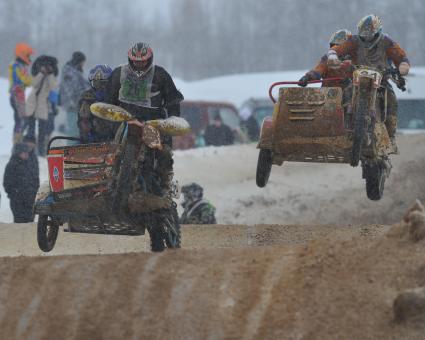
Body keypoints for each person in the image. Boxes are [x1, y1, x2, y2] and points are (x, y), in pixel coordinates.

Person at [304, 15, 410, 150]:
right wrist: (332, 55)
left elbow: (401, 57)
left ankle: (391, 136)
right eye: (363, 35)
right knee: (345, 92)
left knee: (391, 99)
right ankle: (345, 125)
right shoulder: (353, 41)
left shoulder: (387, 42)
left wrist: (403, 66)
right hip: (357, 77)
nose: (366, 39)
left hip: (381, 78)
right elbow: (337, 50)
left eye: (369, 35)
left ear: (378, 32)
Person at [106, 42, 184, 195]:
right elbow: (109, 98)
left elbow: (173, 100)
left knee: (164, 152)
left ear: (149, 59)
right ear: (130, 59)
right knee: (109, 147)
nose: (139, 64)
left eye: (142, 61)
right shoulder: (119, 73)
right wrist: (109, 118)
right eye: (136, 61)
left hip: (152, 121)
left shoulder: (160, 74)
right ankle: (108, 179)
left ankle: (165, 183)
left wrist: (173, 119)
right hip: (126, 118)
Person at [25, 55, 58, 156]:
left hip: (43, 105)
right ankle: (29, 150)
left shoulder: (51, 76)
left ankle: (40, 151)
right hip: (32, 104)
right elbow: (33, 83)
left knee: (42, 131)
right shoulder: (38, 73)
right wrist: (41, 73)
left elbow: (53, 87)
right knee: (30, 129)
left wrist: (50, 74)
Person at [78, 64, 119, 143]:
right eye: (96, 84)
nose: (99, 87)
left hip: (114, 137)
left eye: (103, 84)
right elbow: (82, 121)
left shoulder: (116, 95)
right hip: (93, 138)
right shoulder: (87, 98)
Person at [3, 143, 39, 223]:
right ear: (18, 153)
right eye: (24, 152)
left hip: (30, 200)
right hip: (18, 202)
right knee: (19, 223)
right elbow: (7, 183)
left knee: (30, 223)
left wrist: (35, 192)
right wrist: (15, 194)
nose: (26, 154)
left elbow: (35, 179)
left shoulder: (30, 164)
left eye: (27, 152)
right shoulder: (12, 165)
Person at [59, 51, 90, 138]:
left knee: (76, 130)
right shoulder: (70, 73)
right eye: (83, 62)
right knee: (73, 131)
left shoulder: (74, 71)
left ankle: (74, 148)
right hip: (73, 106)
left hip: (77, 105)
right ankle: (70, 149)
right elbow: (72, 90)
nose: (83, 65)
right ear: (79, 61)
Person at [8, 42, 34, 143]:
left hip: (19, 95)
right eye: (28, 55)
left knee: (20, 119)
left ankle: (18, 141)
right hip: (16, 96)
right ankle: (17, 142)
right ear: (23, 55)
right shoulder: (17, 66)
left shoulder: (19, 65)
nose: (29, 58)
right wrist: (29, 80)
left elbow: (27, 80)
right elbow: (25, 80)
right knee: (21, 119)